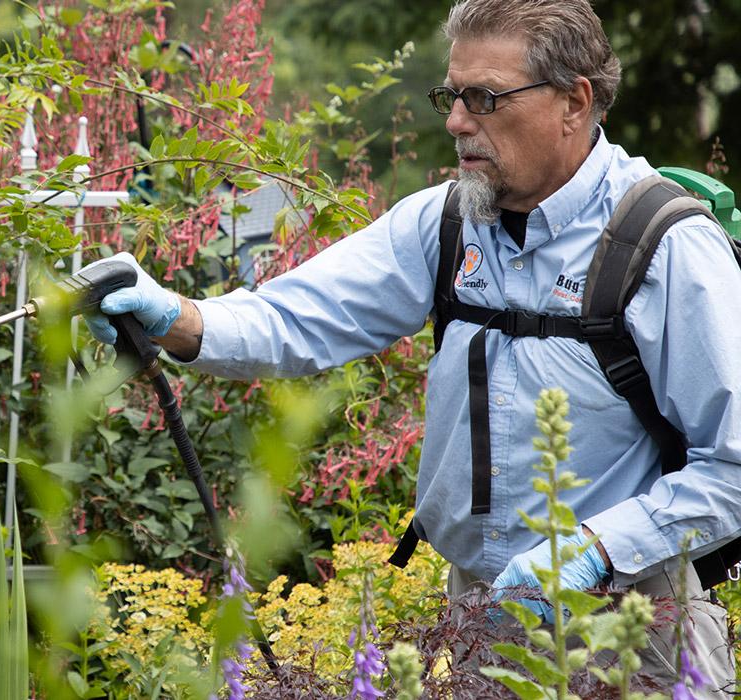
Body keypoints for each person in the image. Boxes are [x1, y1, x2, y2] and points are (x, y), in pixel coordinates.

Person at [85, 0, 738, 693]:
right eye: (451, 97)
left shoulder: (664, 248)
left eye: (484, 98)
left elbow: (734, 467)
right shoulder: (450, 223)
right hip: (474, 622)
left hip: (634, 628)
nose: (457, 122)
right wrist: (175, 318)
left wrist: (597, 550)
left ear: (574, 101)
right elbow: (298, 317)